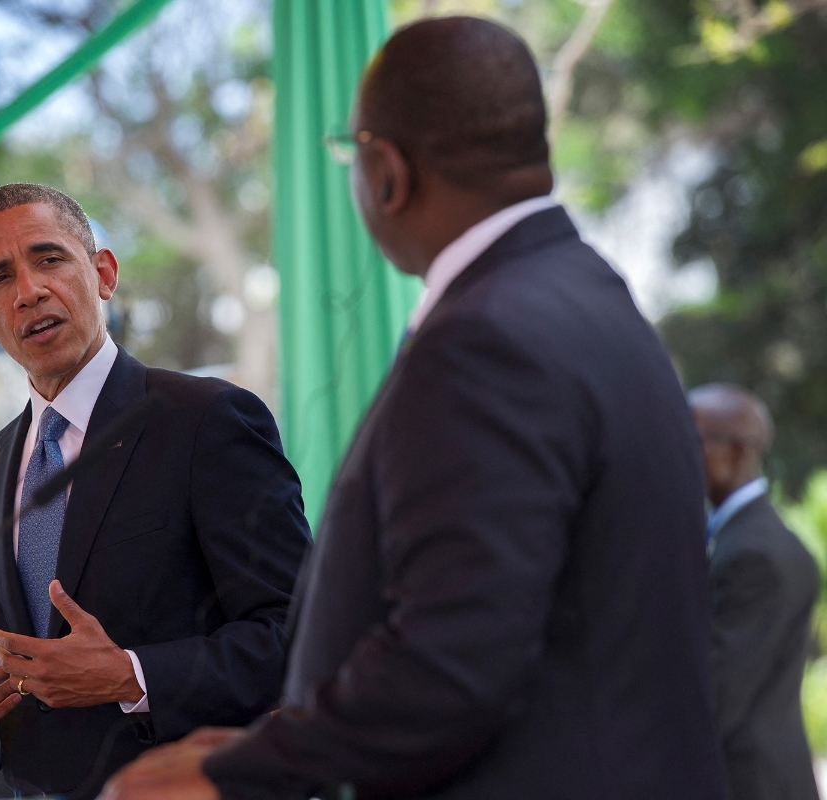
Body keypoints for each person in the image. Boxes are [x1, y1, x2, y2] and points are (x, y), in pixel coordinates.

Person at [101, 16, 729, 800]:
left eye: (350, 154)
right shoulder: (595, 299)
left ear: (387, 173)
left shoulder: (484, 340)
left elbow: (455, 661)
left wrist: (242, 771)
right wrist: (284, 731)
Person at [0, 183, 311, 800]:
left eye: (50, 259)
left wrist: (131, 674)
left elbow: (299, 636)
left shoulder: (206, 420)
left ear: (103, 273)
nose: (30, 291)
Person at [689, 383, 819, 800]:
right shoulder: (746, 537)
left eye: (693, 441)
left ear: (738, 452)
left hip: (750, 784)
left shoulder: (755, 552)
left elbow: (717, 694)